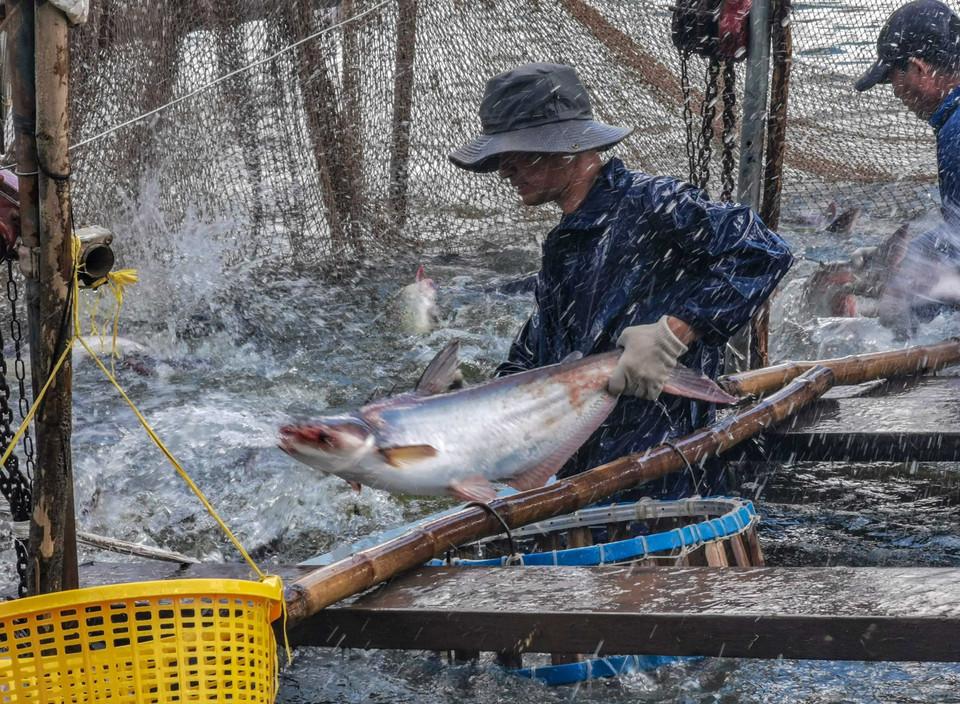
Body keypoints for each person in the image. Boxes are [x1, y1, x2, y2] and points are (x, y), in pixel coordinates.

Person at [449, 63, 793, 498]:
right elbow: (541, 352)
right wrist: (479, 405)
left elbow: (763, 250)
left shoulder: (654, 203)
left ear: (564, 147)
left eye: (513, 153)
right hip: (588, 473)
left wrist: (674, 333)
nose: (503, 171)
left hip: (668, 470)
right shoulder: (565, 243)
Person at [855, 0, 960, 333]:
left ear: (918, 69)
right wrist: (905, 256)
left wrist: (907, 289)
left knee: (898, 308)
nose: (896, 93)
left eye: (892, 77)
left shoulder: (956, 130)